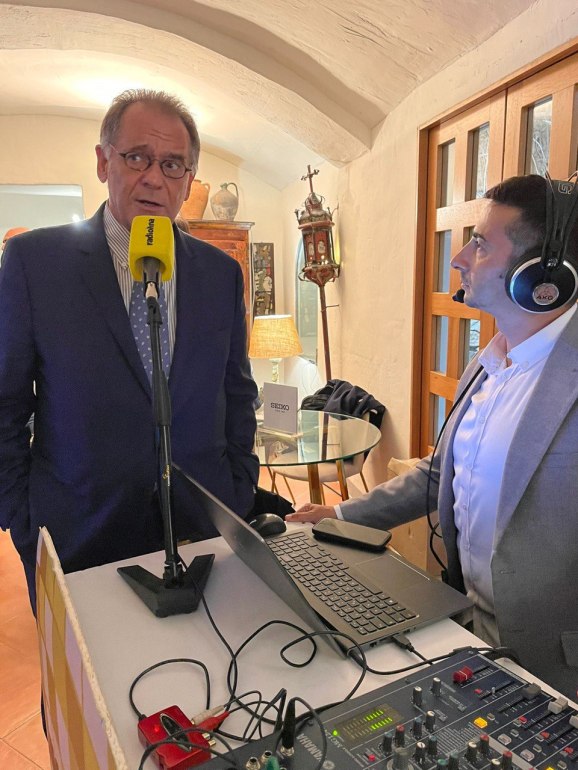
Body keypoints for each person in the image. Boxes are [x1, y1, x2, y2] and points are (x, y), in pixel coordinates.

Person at [287, 174, 578, 698]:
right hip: (469, 631)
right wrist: (339, 515)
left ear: (542, 275)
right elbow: (441, 472)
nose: (459, 258)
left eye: (481, 244)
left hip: (557, 669)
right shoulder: (488, 363)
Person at [0, 89, 259, 609]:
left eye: (172, 164)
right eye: (137, 157)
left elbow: (236, 393)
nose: (154, 178)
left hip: (202, 535)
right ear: (104, 162)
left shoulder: (220, 274)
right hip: (77, 537)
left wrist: (239, 490)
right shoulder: (34, 263)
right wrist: (22, 517)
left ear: (188, 180)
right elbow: (5, 403)